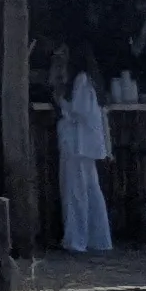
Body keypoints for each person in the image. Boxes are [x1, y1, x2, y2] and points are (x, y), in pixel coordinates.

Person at [57, 56, 116, 253]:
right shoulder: (91, 81)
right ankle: (99, 239)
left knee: (77, 193)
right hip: (86, 144)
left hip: (79, 144)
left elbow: (79, 111)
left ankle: (77, 240)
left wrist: (60, 100)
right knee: (90, 191)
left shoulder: (81, 79)